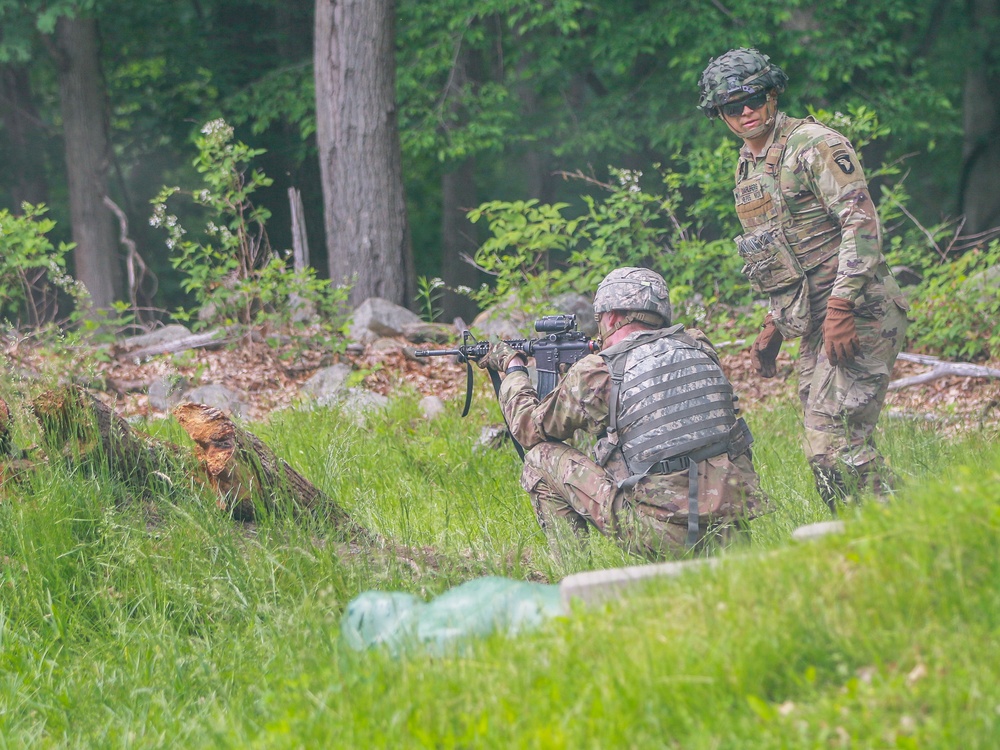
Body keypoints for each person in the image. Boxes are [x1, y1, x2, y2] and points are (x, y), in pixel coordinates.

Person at [697, 48, 909, 512]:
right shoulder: (749, 166)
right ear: (720, 115)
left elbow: (861, 225)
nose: (746, 112)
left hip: (862, 309)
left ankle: (917, 531)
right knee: (825, 452)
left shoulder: (815, 145)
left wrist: (841, 309)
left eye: (753, 98)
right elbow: (779, 253)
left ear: (772, 94)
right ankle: (873, 538)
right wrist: (775, 325)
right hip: (813, 321)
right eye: (733, 107)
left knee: (833, 445)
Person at [478, 267, 765, 560]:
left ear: (612, 316)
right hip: (730, 528)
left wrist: (513, 369)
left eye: (601, 319)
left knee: (540, 459)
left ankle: (569, 575)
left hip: (663, 532)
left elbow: (527, 428)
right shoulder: (699, 346)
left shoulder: (599, 371)